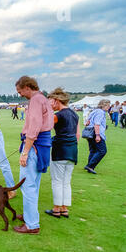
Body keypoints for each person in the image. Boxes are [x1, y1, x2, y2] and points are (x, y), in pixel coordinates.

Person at [14, 76, 54, 234]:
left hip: (34, 146)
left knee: (27, 185)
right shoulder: (43, 98)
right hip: (42, 146)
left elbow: (34, 128)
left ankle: (31, 224)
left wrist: (25, 152)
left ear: (27, 87)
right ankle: (29, 216)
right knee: (33, 185)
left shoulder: (36, 100)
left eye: (20, 91)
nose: (20, 94)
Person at [45, 88, 80, 219]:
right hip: (72, 149)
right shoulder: (75, 114)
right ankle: (64, 209)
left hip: (60, 149)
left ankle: (56, 209)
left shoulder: (58, 115)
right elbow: (77, 134)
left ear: (56, 100)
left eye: (50, 101)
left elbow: (45, 126)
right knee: (66, 181)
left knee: (57, 181)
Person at [84, 99, 110, 174]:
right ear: (104, 105)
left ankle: (89, 165)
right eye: (108, 105)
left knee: (93, 150)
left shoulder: (94, 111)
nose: (109, 107)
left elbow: (87, 122)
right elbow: (97, 124)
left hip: (89, 133)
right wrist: (98, 135)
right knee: (102, 151)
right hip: (96, 133)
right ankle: (90, 166)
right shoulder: (100, 112)